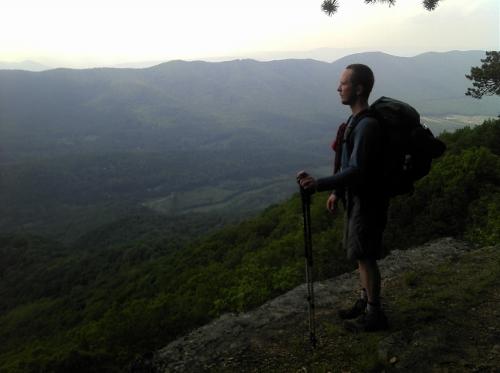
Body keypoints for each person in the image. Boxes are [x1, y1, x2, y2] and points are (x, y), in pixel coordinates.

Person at [297, 63, 389, 332]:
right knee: (361, 255)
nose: (338, 88)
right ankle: (365, 302)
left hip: (369, 201)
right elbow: (349, 161)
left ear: (358, 89)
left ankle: (375, 315)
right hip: (358, 199)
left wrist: (320, 185)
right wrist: (337, 192)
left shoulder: (367, 126)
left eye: (344, 84)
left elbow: (357, 170)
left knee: (366, 256)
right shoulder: (355, 121)